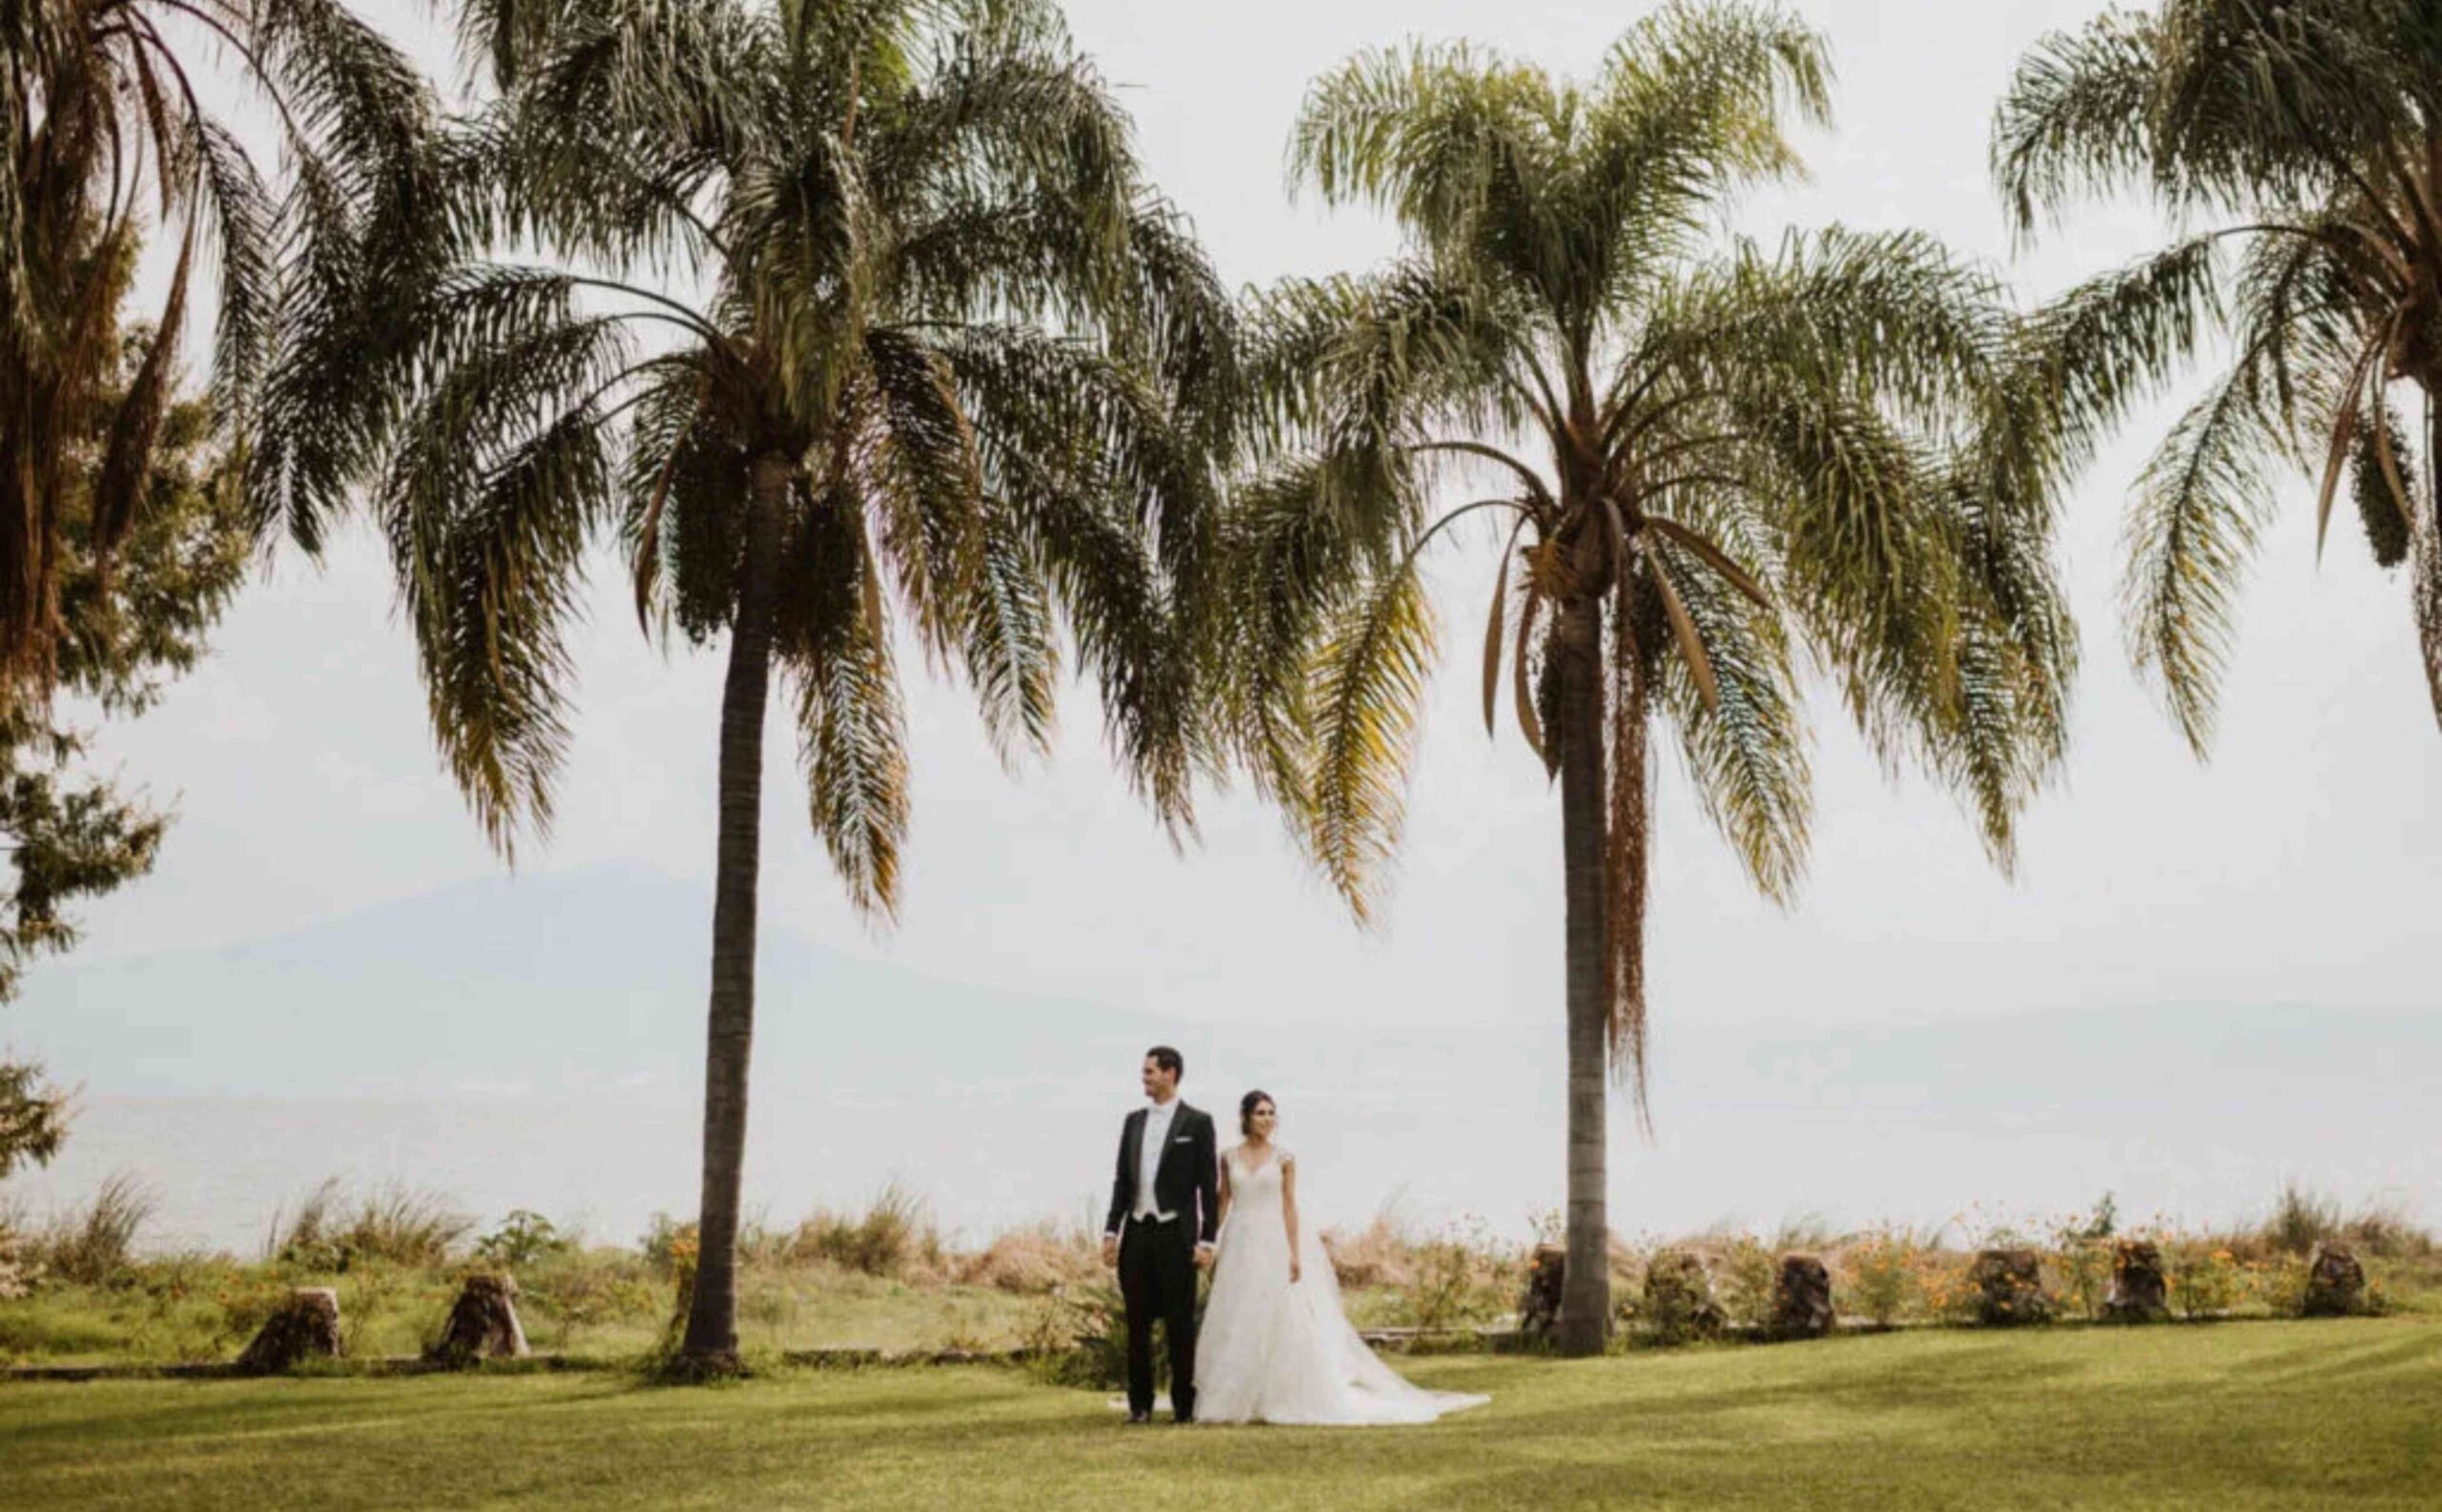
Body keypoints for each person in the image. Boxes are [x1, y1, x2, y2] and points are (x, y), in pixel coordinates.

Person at [1193, 1090, 1490, 1426]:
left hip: (1273, 1239)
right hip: (1240, 1240)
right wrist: (1209, 1241)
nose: (1267, 1119)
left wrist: (1293, 1252)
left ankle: (1281, 1393)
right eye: (1260, 1113)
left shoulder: (1285, 1158)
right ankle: (1234, 1394)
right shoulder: (1229, 1156)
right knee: (1238, 1314)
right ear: (1246, 1117)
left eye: (1271, 1113)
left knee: (1278, 1315)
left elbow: (1289, 1206)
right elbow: (1223, 1202)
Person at [1101, 1046, 1219, 1423]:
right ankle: (1140, 1406)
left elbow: (1207, 1184)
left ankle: (1184, 1406)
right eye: (1145, 1071)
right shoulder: (1133, 1121)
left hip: (1176, 1235)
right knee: (1136, 1322)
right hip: (1137, 1234)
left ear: (1170, 1074)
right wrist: (1110, 1230)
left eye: (1150, 1071)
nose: (1144, 1077)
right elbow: (1122, 1180)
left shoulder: (1197, 1123)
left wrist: (1206, 1240)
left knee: (1179, 1323)